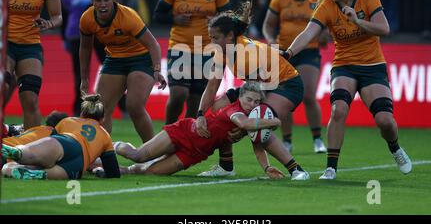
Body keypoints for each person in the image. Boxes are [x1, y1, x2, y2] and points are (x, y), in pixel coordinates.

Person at [283, 0, 412, 179]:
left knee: (385, 122)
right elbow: (308, 33)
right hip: (344, 65)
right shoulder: (326, 7)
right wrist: (289, 53)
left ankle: (395, 148)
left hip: (372, 66)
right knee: (338, 110)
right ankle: (331, 167)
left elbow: (384, 29)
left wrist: (357, 21)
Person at [112, 81, 310, 180]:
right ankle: (107, 144)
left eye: (257, 101)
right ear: (240, 96)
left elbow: (258, 145)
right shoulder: (235, 110)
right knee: (137, 155)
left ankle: (102, 168)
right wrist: (274, 121)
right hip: (184, 132)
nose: (252, 104)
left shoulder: (252, 116)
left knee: (147, 172)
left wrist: (266, 168)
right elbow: (244, 125)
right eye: (249, 99)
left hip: (194, 154)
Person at [195, 1, 304, 177]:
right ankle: (226, 166)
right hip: (259, 86)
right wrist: (200, 115)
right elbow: (212, 85)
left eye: (215, 37)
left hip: (287, 84)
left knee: (258, 124)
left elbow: (257, 95)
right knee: (216, 110)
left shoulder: (247, 54)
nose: (211, 41)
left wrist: (243, 129)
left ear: (230, 36)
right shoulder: (222, 51)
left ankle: (296, 170)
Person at [153, 0, 230, 125]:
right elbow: (157, 15)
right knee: (179, 94)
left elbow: (229, 18)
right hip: (180, 47)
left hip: (207, 51)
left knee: (195, 101)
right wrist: (174, 18)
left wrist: (218, 21)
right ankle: (168, 132)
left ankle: (185, 139)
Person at [79, 0, 167, 142]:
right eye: (98, 0)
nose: (103, 4)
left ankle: (151, 153)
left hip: (141, 59)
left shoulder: (128, 17)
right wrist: (84, 79)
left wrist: (156, 70)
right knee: (100, 110)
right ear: (92, 1)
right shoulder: (87, 19)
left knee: (134, 106)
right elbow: (85, 48)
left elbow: (153, 44)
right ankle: (100, 155)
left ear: (114, 0)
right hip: (114, 60)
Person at [262, 0, 327, 154]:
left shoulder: (318, 0)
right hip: (283, 53)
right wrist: (271, 40)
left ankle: (317, 139)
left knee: (308, 95)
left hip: (309, 51)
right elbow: (267, 25)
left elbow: (328, 23)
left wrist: (325, 34)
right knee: (285, 98)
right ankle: (287, 140)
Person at [5, 0, 63, 129]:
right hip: (6, 43)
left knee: (30, 100)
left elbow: (58, 17)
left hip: (30, 45)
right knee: (3, 88)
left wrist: (48, 23)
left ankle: (30, 149)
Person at [1, 94, 121, 180]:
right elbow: (113, 172)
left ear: (82, 114)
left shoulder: (68, 121)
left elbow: (51, 141)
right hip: (78, 165)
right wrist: (100, 171)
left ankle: (17, 152)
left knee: (27, 155)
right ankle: (36, 174)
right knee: (45, 173)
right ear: (102, 118)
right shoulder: (105, 136)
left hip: (66, 142)